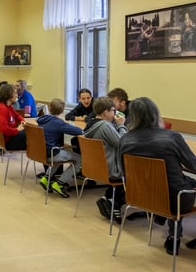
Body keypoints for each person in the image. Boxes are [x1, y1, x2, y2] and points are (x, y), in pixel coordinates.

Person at [119, 97, 196, 255]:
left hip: (142, 196)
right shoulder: (171, 137)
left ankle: (169, 229)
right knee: (179, 185)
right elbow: (193, 165)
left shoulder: (125, 140)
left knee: (175, 184)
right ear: (155, 114)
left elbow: (122, 170)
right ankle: (173, 235)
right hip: (176, 199)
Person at [83, 96, 127, 223]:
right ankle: (115, 202)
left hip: (98, 168)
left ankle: (108, 198)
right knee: (134, 174)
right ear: (106, 112)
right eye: (113, 110)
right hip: (111, 169)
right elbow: (123, 144)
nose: (115, 113)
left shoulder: (92, 124)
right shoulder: (104, 126)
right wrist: (121, 125)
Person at [36, 98, 83, 198]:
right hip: (52, 153)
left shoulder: (41, 119)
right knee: (79, 159)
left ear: (49, 108)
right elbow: (79, 131)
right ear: (62, 111)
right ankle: (60, 183)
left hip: (41, 152)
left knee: (61, 154)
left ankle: (46, 178)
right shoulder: (59, 123)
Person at [0, 84, 26, 151]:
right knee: (32, 136)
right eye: (15, 93)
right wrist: (17, 130)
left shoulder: (8, 107)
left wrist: (22, 120)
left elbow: (17, 115)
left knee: (29, 134)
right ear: (9, 95)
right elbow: (4, 129)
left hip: (8, 137)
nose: (17, 95)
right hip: (7, 141)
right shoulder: (3, 109)